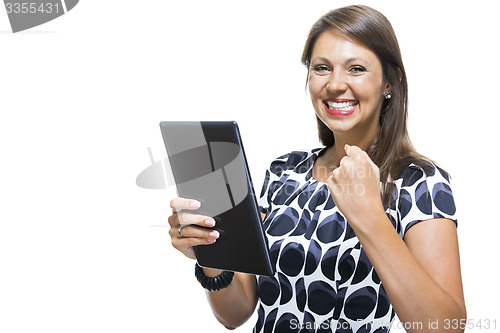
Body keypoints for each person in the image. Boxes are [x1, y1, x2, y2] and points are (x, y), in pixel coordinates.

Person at [167, 5, 466, 333]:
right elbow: (235, 313)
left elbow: (445, 327)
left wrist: (369, 217)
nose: (335, 84)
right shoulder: (285, 172)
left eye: (356, 69)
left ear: (389, 83)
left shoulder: (418, 183)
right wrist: (210, 252)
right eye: (322, 67)